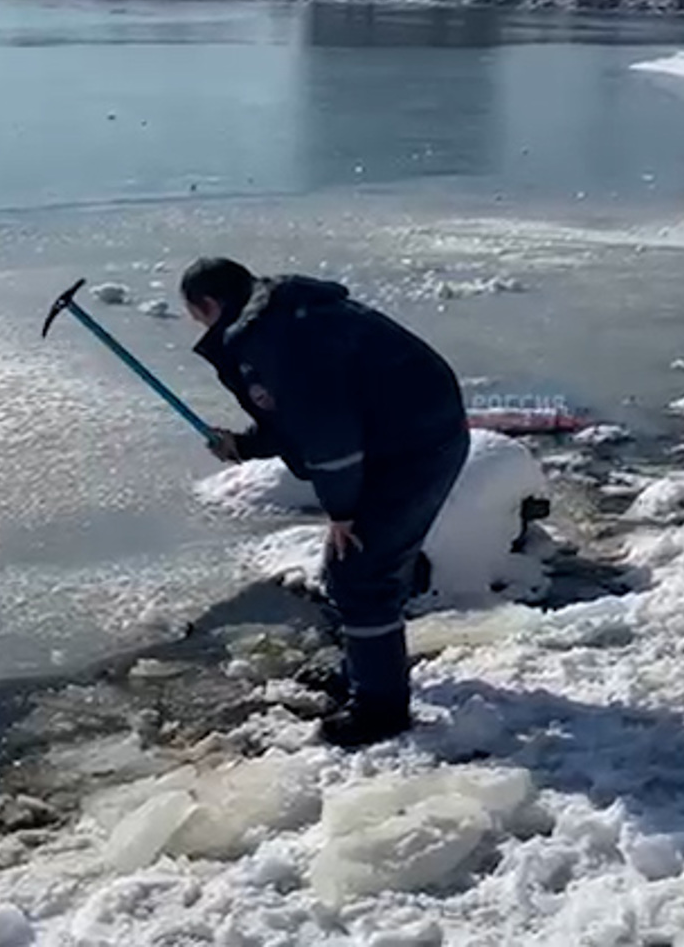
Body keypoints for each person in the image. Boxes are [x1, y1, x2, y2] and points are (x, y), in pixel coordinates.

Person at [182, 258, 469, 747]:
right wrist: (246, 444)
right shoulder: (281, 318)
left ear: (208, 305)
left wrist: (342, 510)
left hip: (413, 449)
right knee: (359, 565)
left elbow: (331, 437)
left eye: (195, 315)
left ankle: (380, 710)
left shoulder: (277, 339)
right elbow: (300, 413)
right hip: (407, 437)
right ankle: (366, 673)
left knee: (358, 570)